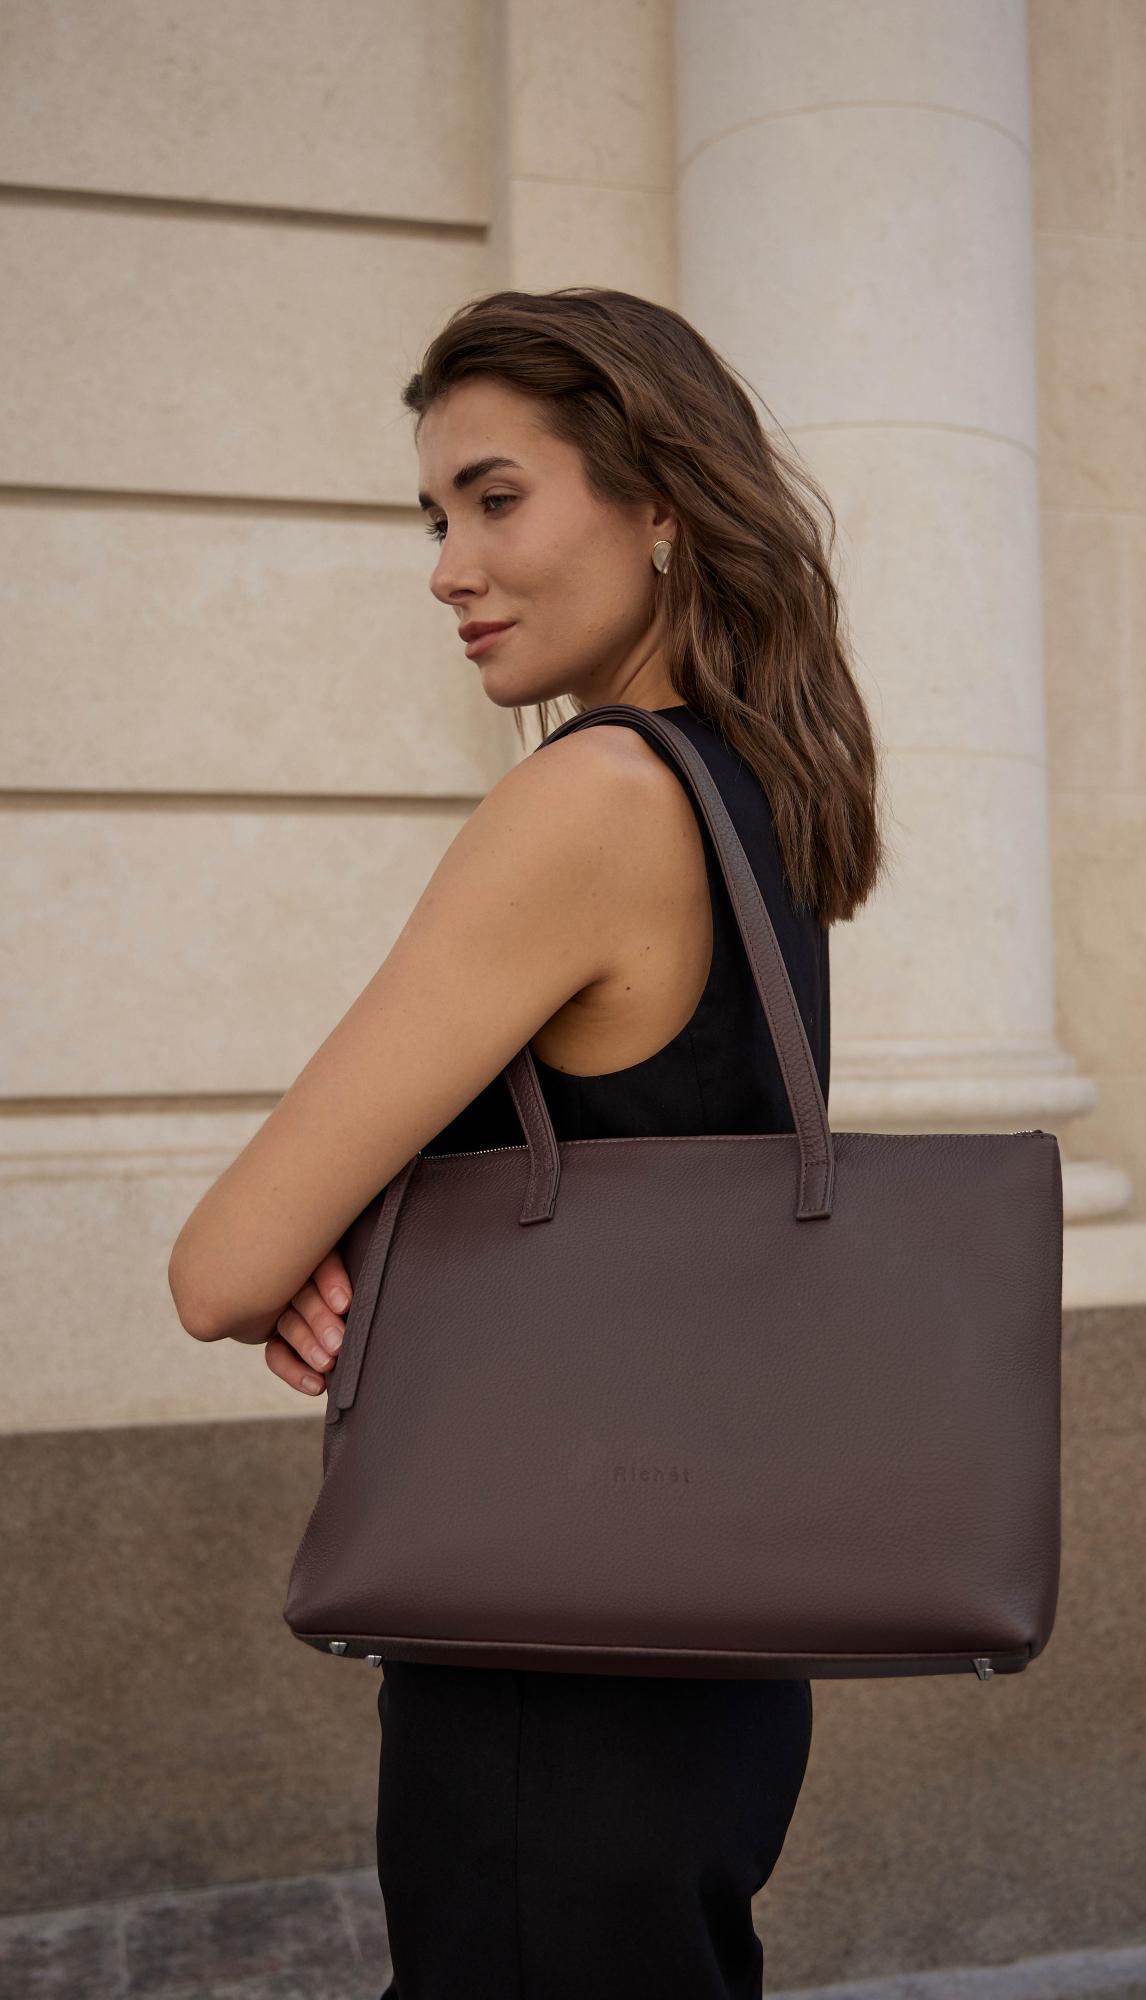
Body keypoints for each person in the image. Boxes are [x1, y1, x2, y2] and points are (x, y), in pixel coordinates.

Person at [168, 286, 886, 1998]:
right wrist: (379, 1239)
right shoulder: (752, 794)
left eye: (496, 498)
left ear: (662, 502)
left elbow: (220, 1270)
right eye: (437, 516)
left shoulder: (594, 798)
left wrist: (324, 1246)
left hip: (550, 1665)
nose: (450, 567)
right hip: (705, 1639)